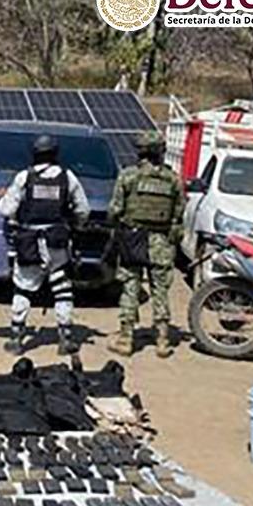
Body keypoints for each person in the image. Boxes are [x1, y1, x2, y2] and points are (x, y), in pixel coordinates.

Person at [0, 135, 91, 356]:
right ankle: (65, 338)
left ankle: (17, 338)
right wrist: (74, 225)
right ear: (55, 153)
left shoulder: (24, 177)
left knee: (23, 288)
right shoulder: (68, 177)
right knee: (62, 289)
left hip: (28, 243)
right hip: (57, 243)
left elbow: (6, 210)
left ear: (34, 153)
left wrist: (3, 197)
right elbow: (83, 210)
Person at [108, 130, 184, 358]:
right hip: (162, 242)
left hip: (133, 240)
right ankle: (162, 340)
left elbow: (115, 210)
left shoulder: (128, 176)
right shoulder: (173, 179)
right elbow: (179, 213)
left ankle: (126, 339)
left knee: (130, 286)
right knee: (160, 290)